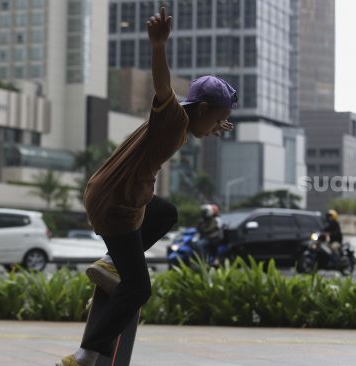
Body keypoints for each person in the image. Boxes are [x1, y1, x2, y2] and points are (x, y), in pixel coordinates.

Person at [57, 7, 237, 366]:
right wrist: (158, 46)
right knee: (138, 288)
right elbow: (163, 86)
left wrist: (210, 125)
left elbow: (191, 119)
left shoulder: (182, 122)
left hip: (107, 193)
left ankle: (111, 264)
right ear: (201, 108)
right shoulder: (171, 119)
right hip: (118, 205)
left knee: (165, 212)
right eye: (219, 120)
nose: (219, 127)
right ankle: (85, 354)